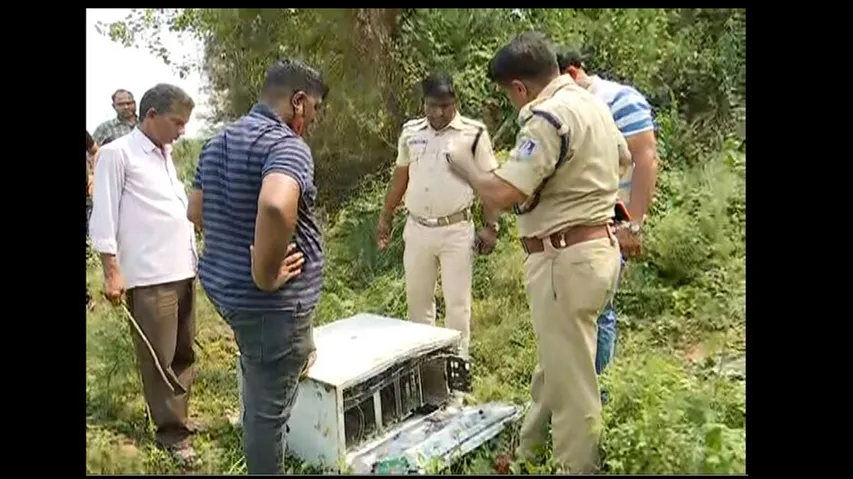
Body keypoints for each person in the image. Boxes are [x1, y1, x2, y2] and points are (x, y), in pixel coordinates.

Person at [445, 32, 630, 473]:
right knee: (557, 364)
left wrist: (467, 167)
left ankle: (575, 467)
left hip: (564, 260)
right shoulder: (591, 104)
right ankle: (528, 452)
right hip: (597, 249)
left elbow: (505, 191)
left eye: (508, 95)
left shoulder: (547, 117)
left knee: (573, 387)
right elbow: (623, 158)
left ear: (520, 88)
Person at [187, 59, 328, 475]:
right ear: (298, 102)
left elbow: (196, 211)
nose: (313, 121)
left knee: (259, 367)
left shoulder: (216, 143)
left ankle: (276, 370)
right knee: (267, 420)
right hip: (273, 307)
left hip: (230, 295)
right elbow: (274, 203)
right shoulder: (286, 145)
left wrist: (239, 243)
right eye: (315, 110)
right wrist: (265, 273)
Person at [88, 83, 199, 462]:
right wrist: (111, 271)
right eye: (177, 122)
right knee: (159, 359)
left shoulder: (163, 154)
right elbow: (102, 217)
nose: (182, 130)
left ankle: (179, 419)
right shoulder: (117, 154)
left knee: (184, 352)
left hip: (182, 268)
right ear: (151, 116)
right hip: (150, 276)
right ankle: (171, 436)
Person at [376, 72, 500, 366]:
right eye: (433, 105)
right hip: (418, 229)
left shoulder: (474, 133)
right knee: (418, 304)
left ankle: (457, 373)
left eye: (446, 105)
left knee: (457, 306)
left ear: (455, 102)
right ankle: (425, 372)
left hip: (456, 230)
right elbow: (401, 177)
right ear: (424, 104)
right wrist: (386, 216)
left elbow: (489, 183)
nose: (439, 112)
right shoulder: (411, 132)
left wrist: (491, 226)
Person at [556, 47, 659, 378]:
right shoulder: (568, 108)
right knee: (572, 309)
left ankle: (596, 392)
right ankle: (577, 388)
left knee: (598, 309)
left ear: (571, 74)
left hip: (610, 223)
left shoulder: (619, 100)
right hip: (572, 225)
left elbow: (645, 159)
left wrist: (634, 225)